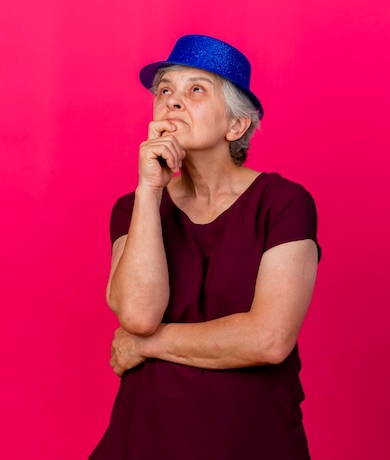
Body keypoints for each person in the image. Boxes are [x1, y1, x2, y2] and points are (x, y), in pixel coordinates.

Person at [90, 34, 320, 460]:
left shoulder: (284, 203)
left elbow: (268, 339)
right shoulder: (136, 207)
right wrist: (148, 188)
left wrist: (145, 346)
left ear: (237, 125)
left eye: (196, 90)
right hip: (143, 442)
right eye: (165, 90)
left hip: (253, 443)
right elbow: (139, 315)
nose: (172, 102)